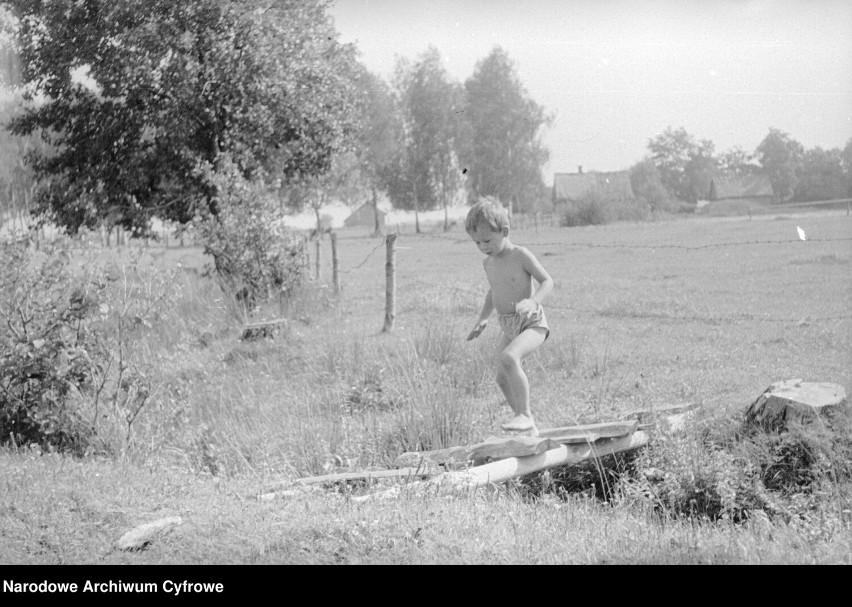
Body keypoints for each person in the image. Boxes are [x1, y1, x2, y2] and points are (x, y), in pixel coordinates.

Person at [465, 197, 554, 436]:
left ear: (504, 231)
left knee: (509, 358)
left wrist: (533, 301)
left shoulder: (520, 255)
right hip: (508, 325)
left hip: (532, 324)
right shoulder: (489, 263)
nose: (483, 246)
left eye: (487, 240)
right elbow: (493, 292)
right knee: (501, 379)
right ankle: (528, 426)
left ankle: (524, 414)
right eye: (477, 243)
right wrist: (483, 318)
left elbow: (547, 281)